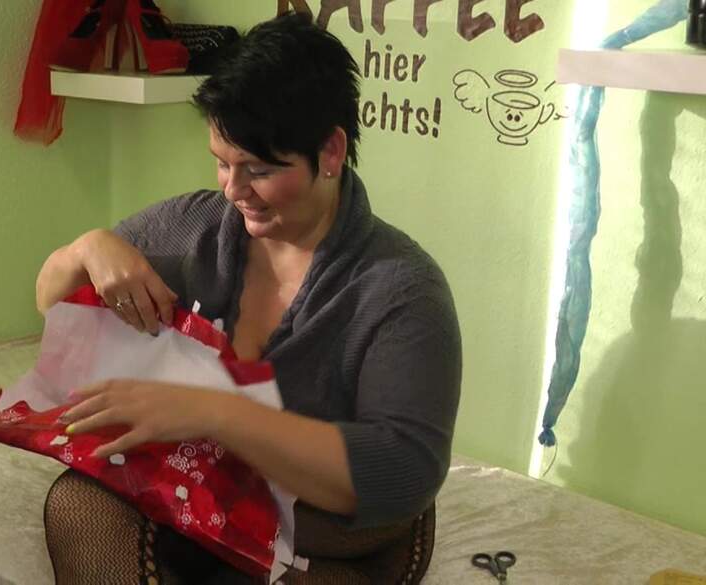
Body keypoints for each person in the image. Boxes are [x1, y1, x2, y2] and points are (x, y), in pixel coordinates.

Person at [35, 12, 461, 585]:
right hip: (201, 492)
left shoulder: (401, 290)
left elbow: (404, 471)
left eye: (258, 170)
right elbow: (51, 306)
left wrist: (216, 411)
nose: (234, 191)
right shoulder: (193, 228)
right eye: (221, 161)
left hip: (323, 525)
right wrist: (85, 250)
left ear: (330, 152)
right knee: (79, 505)